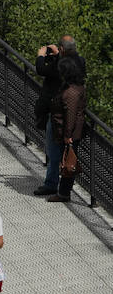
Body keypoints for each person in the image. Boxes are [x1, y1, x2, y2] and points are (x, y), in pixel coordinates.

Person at [47, 51, 87, 203]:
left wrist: (67, 135)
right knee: (67, 160)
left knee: (68, 162)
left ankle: (64, 193)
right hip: (69, 131)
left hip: (69, 133)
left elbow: (70, 114)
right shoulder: (76, 85)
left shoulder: (71, 91)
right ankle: (63, 191)